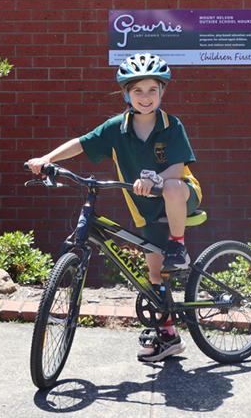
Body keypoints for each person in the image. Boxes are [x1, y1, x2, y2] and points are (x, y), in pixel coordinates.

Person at [27, 53, 202, 362]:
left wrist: (156, 179)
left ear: (162, 91)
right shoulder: (115, 128)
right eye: (138, 91)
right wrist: (47, 159)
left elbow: (177, 168)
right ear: (125, 94)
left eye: (152, 89)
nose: (145, 97)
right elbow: (81, 143)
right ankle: (169, 337)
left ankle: (179, 245)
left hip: (181, 196)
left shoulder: (171, 125)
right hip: (146, 208)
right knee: (155, 276)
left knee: (173, 187)